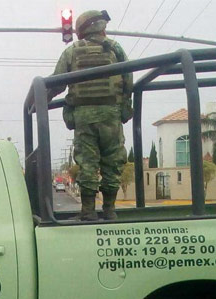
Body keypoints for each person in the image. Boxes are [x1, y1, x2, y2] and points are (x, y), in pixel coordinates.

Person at [48, 10, 133, 221]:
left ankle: (88, 211)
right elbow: (128, 80)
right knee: (113, 160)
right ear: (100, 26)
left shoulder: (73, 51)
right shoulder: (115, 49)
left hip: (84, 116)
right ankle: (110, 210)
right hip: (111, 116)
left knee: (87, 162)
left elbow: (56, 82)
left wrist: (40, 99)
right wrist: (125, 107)